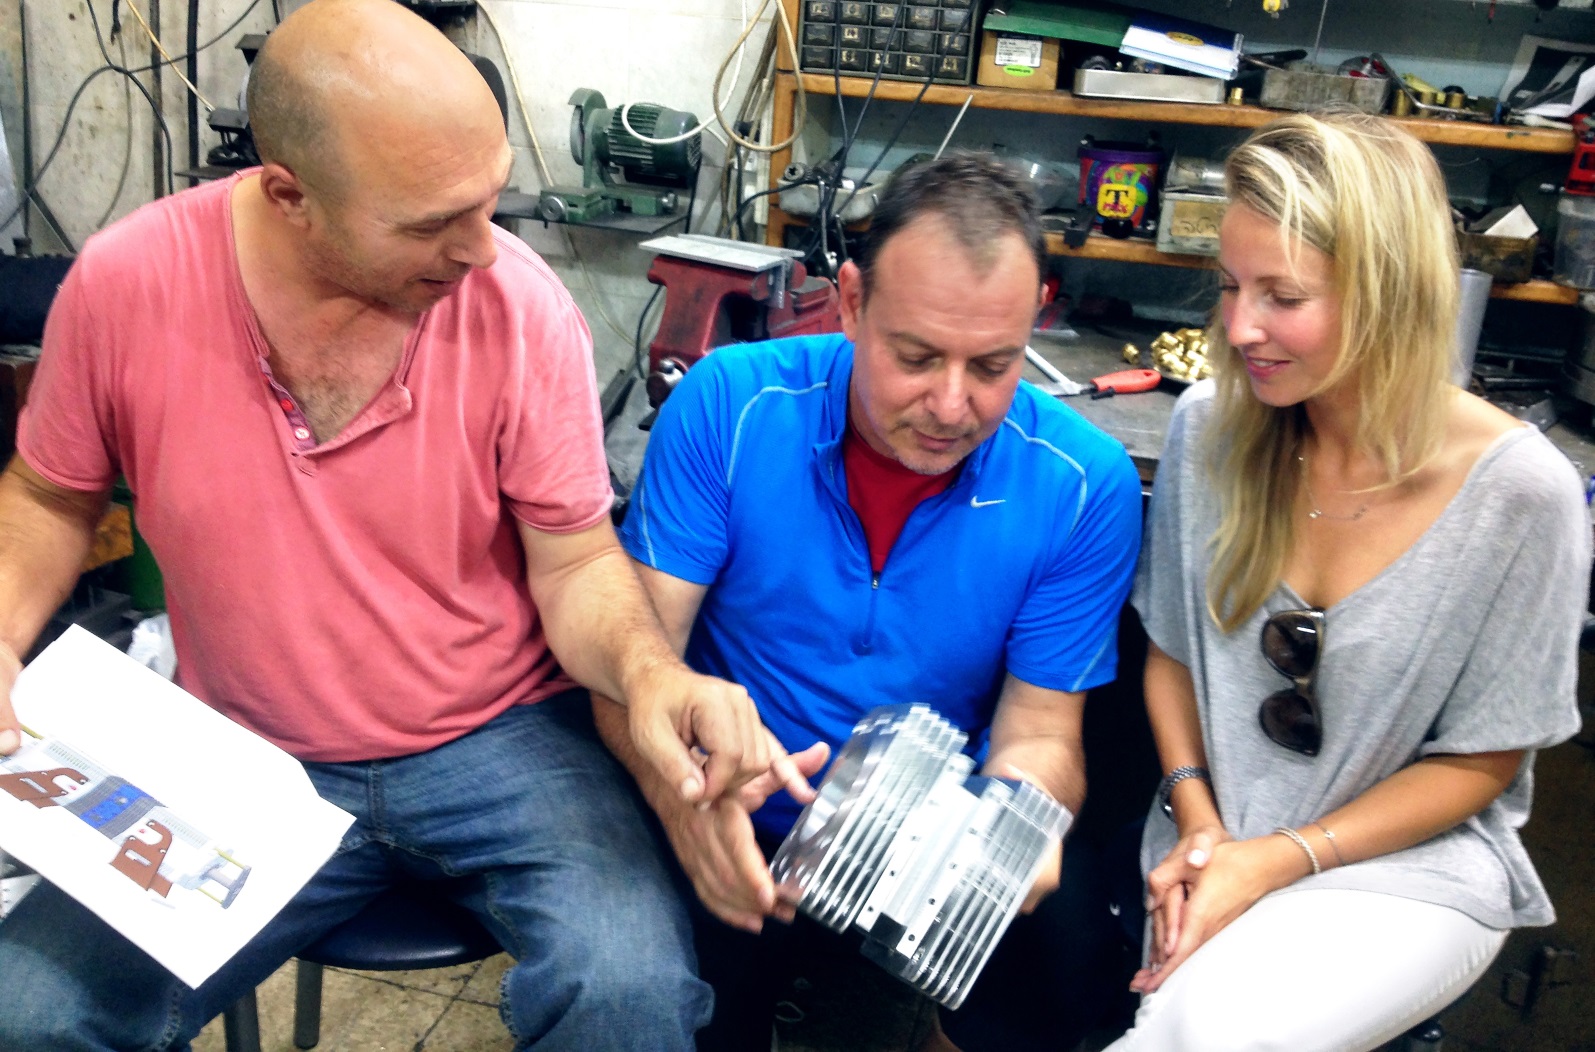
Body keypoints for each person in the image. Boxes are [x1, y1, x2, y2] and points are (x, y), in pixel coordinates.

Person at [0, 1, 804, 1048]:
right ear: (290, 196)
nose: (480, 249)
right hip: (242, 752)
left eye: (487, 200)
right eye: (430, 223)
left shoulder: (518, 307)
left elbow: (571, 560)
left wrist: (651, 673)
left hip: (502, 738)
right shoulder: (126, 282)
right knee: (29, 1009)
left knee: (629, 990)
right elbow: (50, 492)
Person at [596, 152, 1145, 1051]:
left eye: (993, 365)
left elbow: (1041, 732)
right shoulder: (729, 406)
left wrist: (1016, 824)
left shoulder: (1083, 484)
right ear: (850, 303)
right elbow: (631, 667)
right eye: (916, 357)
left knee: (1074, 952)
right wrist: (679, 801)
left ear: (1036, 319)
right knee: (659, 1000)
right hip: (723, 801)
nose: (951, 404)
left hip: (917, 846)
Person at [1108, 110, 1590, 1052]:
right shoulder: (1210, 429)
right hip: (1212, 834)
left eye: (1282, 295)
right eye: (1229, 286)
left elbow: (1484, 761)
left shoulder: (1524, 496)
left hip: (1405, 872)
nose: (1239, 327)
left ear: (1388, 292)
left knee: (1201, 1035)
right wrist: (1201, 824)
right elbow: (1169, 655)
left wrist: (1277, 861)